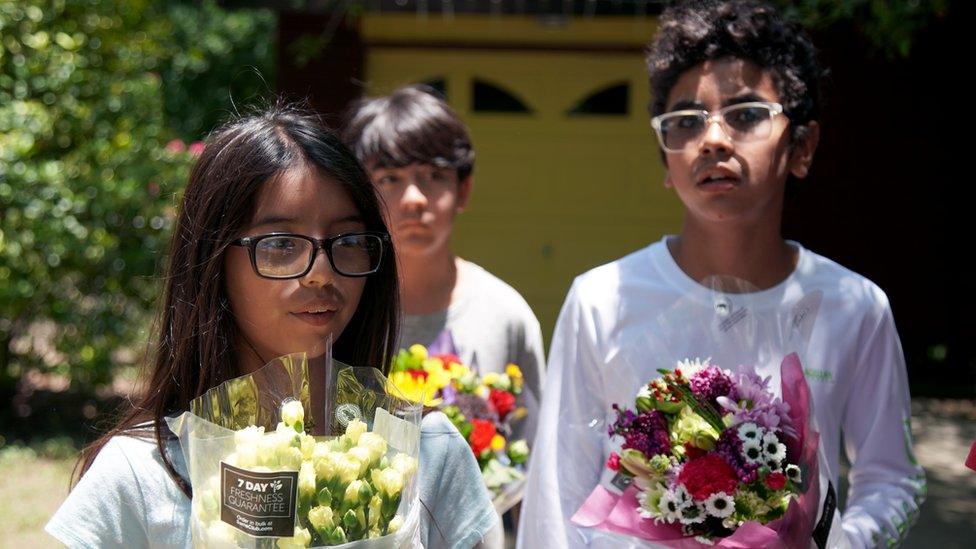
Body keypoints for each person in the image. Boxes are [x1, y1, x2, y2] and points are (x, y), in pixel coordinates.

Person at [518, 1, 925, 548]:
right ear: (667, 161)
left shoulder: (855, 307)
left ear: (802, 147)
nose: (712, 138)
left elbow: (891, 480)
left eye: (746, 113)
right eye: (686, 121)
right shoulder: (601, 299)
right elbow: (555, 495)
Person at [46, 104, 497, 548]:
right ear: (212, 262)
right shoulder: (142, 472)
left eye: (349, 240)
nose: (322, 272)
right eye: (281, 243)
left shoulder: (428, 452)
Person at [342, 86, 546, 449]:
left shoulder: (505, 314)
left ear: (463, 190)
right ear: (362, 193)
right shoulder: (339, 308)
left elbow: (536, 454)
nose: (414, 199)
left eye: (433, 176)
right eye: (390, 179)